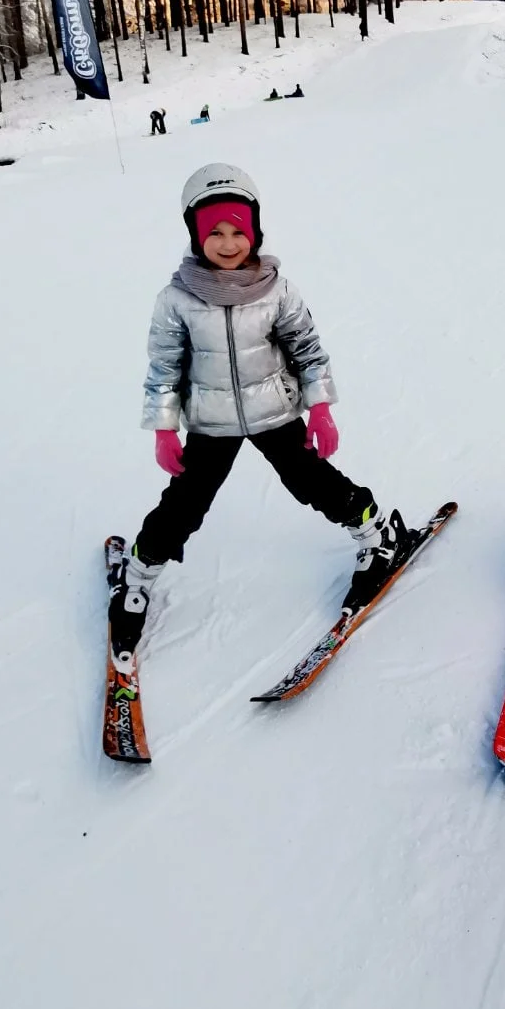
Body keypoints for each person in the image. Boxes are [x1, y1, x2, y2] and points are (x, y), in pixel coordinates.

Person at [105, 164, 409, 672]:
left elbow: (308, 350)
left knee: (310, 480)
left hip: (275, 412)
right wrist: (163, 428)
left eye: (238, 231)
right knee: (184, 506)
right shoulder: (177, 298)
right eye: (215, 233)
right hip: (210, 423)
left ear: (256, 231)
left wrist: (321, 408)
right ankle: (136, 579)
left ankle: (376, 533)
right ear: (196, 235)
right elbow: (164, 367)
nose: (228, 243)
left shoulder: (277, 290)